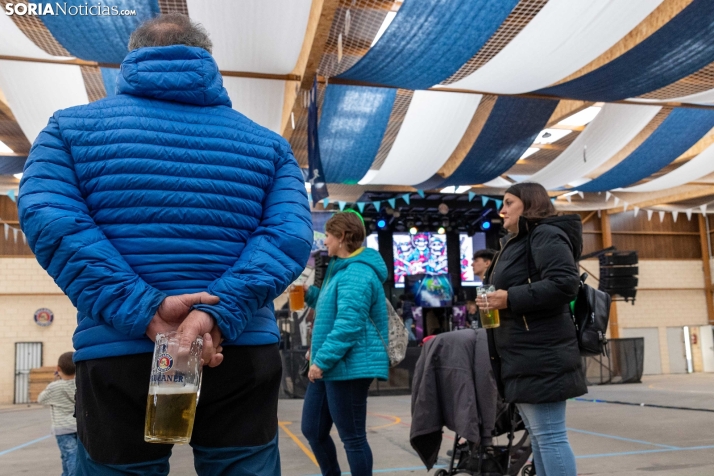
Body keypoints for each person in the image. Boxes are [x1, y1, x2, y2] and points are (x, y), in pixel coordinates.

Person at [18, 14, 312, 475]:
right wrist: (217, 312)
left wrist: (145, 312)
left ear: (130, 60)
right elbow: (289, 234)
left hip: (119, 349)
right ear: (208, 62)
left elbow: (49, 220)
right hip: (234, 350)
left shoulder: (67, 130)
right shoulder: (269, 146)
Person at [476, 182, 586, 476]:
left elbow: (565, 284)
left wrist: (509, 297)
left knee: (549, 436)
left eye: (509, 202)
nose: (502, 209)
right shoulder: (517, 242)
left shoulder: (545, 234)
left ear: (530, 203)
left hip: (541, 355)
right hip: (523, 355)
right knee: (540, 438)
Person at [301, 211, 389, 476]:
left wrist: (321, 360)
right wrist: (311, 295)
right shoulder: (341, 271)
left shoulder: (358, 273)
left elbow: (348, 325)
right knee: (313, 430)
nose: (324, 241)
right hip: (332, 365)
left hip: (348, 366)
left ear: (341, 237)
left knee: (352, 438)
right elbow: (332, 312)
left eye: (327, 235)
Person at [38, 352, 77, 476]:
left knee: (69, 457)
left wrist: (56, 380)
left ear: (58, 368)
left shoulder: (54, 387)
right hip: (79, 427)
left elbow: (41, 399)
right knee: (72, 456)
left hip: (63, 429)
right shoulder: (80, 384)